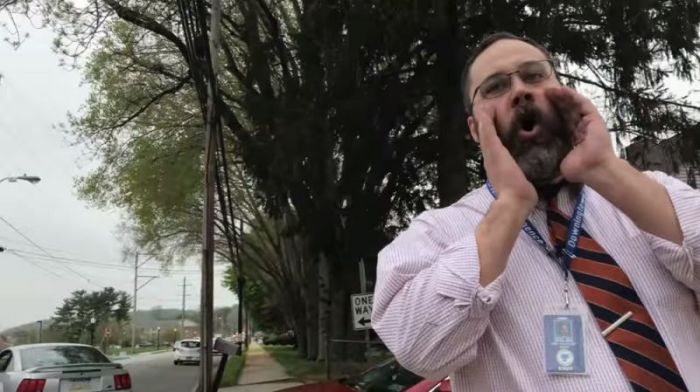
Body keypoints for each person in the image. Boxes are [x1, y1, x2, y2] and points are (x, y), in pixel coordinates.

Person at [372, 32, 700, 391]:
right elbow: (420, 350)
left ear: (565, 95)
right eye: (496, 87)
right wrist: (511, 204)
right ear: (474, 130)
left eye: (534, 76)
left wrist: (604, 168)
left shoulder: (650, 192)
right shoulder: (438, 232)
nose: (520, 91)